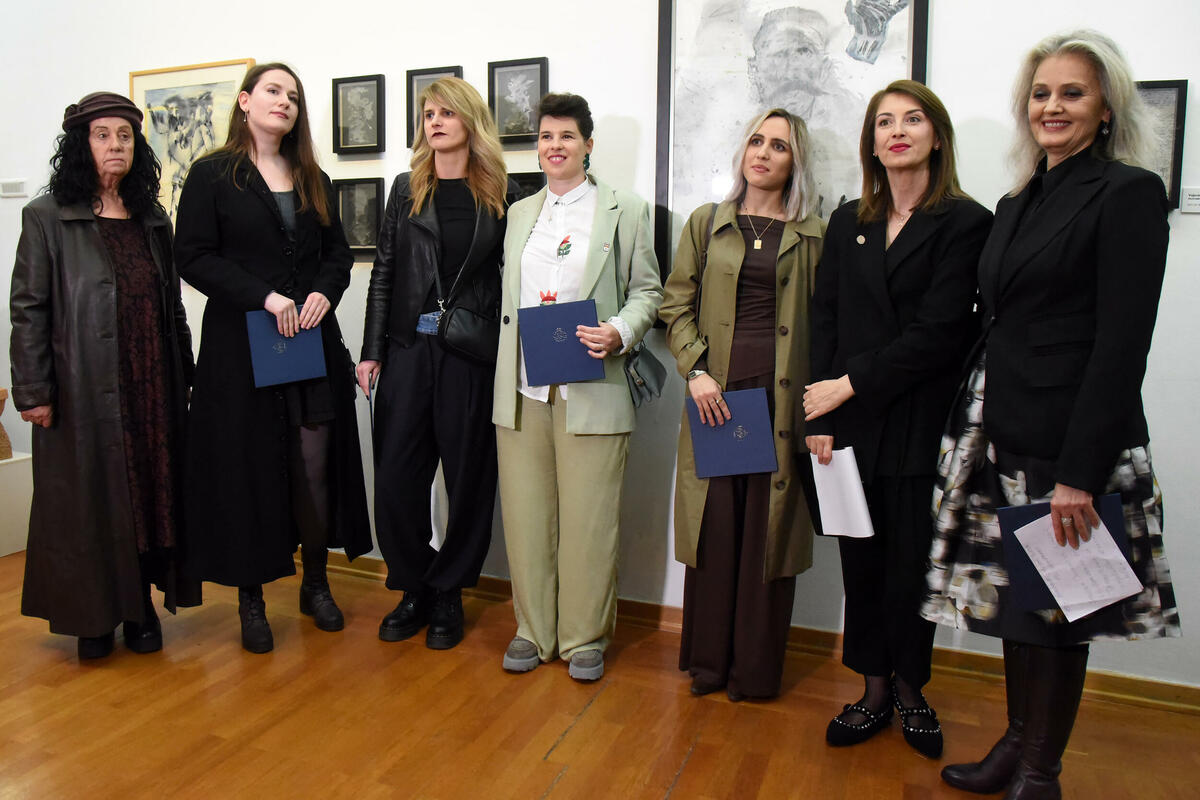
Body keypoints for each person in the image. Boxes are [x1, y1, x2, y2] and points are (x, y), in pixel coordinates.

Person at [921, 31, 1180, 799]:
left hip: (1070, 444)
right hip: (1000, 434)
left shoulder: (1128, 192)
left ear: (1106, 109)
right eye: (1041, 93)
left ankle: (1041, 772)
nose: (1053, 106)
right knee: (1018, 605)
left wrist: (1080, 473)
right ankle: (1015, 745)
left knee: (1062, 608)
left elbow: (1122, 346)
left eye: (1072, 93)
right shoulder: (1016, 201)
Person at [803, 80, 991, 756]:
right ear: (873, 142)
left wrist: (847, 386)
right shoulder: (846, 220)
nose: (898, 131)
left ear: (936, 137)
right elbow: (825, 320)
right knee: (862, 565)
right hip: (847, 423)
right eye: (885, 122)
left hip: (919, 422)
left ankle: (912, 691)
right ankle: (873, 689)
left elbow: (939, 333)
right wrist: (817, 414)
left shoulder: (966, 222)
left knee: (912, 567)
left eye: (913, 119)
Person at [174, 63, 371, 654]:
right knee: (249, 468)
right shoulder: (212, 174)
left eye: (293, 95)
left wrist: (323, 293)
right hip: (240, 350)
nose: (284, 101)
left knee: (314, 466)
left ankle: (316, 584)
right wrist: (263, 296)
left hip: (309, 342)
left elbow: (338, 256)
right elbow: (193, 257)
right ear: (245, 101)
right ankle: (251, 599)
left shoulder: (313, 177)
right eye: (272, 91)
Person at [10, 91, 200, 659]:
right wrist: (33, 389)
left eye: (124, 135)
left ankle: (140, 606)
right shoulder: (46, 216)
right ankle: (93, 616)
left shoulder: (151, 218)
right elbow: (29, 309)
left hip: (152, 383)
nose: (115, 145)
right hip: (82, 387)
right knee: (89, 502)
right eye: (102, 135)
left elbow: (172, 305)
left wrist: (185, 374)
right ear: (80, 145)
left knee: (147, 495)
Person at [493, 92, 663, 681]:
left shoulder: (626, 210)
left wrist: (621, 330)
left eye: (567, 135)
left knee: (590, 521)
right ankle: (532, 630)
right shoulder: (519, 213)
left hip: (593, 385)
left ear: (588, 145)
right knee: (526, 518)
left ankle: (584, 636)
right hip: (523, 389)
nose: (555, 146)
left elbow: (648, 291)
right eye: (546, 136)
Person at [660, 108, 824, 701]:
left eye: (779, 145)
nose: (763, 153)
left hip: (781, 404)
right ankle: (709, 663)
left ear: (795, 161)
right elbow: (675, 306)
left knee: (767, 537)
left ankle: (753, 672)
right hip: (719, 400)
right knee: (715, 528)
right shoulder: (708, 223)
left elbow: (829, 323)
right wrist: (696, 372)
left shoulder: (816, 235)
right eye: (757, 140)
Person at [358, 77, 514, 649]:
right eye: (429, 114)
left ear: (470, 121)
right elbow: (384, 272)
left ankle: (449, 590)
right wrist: (372, 350)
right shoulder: (407, 189)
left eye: (447, 112)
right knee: (397, 478)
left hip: (469, 355)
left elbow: (513, 279)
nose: (436, 122)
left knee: (468, 478)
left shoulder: (503, 192)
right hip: (408, 350)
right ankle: (415, 585)